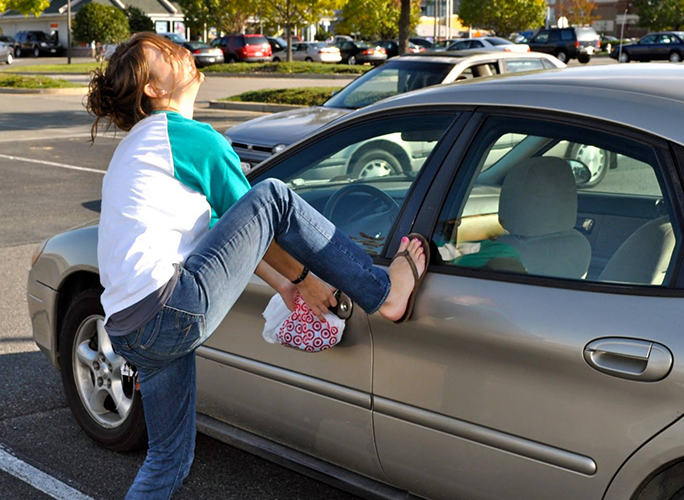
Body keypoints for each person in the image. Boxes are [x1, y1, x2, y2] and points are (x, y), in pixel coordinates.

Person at [85, 32, 428, 500]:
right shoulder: (182, 136)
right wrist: (305, 279)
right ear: (153, 89)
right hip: (168, 309)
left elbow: (222, 232)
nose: (181, 50)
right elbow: (259, 212)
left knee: (168, 459)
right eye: (166, 54)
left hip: (131, 326)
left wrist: (284, 284)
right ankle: (384, 293)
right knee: (274, 196)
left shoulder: (133, 151)